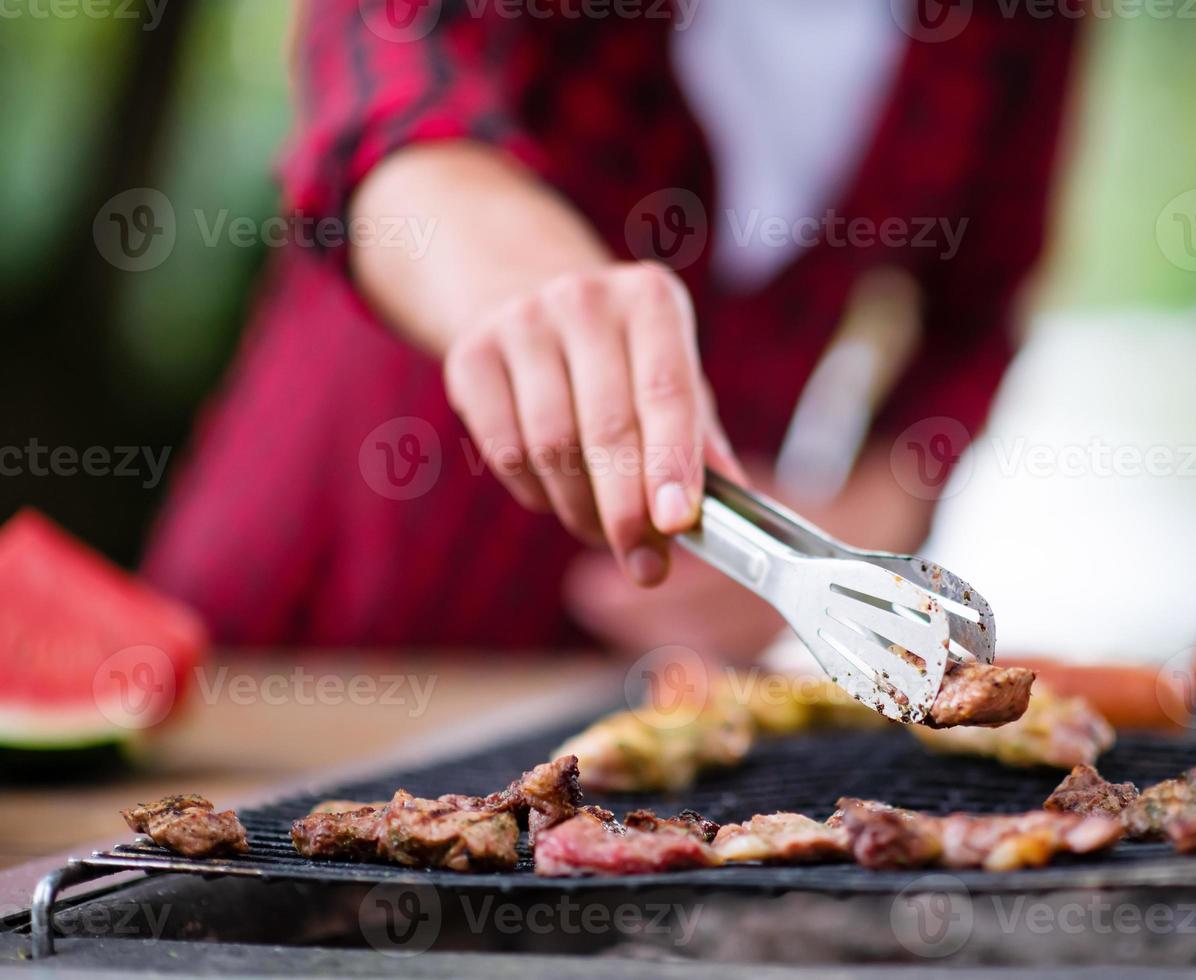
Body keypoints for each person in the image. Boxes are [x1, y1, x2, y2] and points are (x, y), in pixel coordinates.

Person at [142, 0, 1079, 656]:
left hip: (631, 699)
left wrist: (861, 518)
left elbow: (978, 317)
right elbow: (384, 89)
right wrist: (522, 278)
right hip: (307, 617)